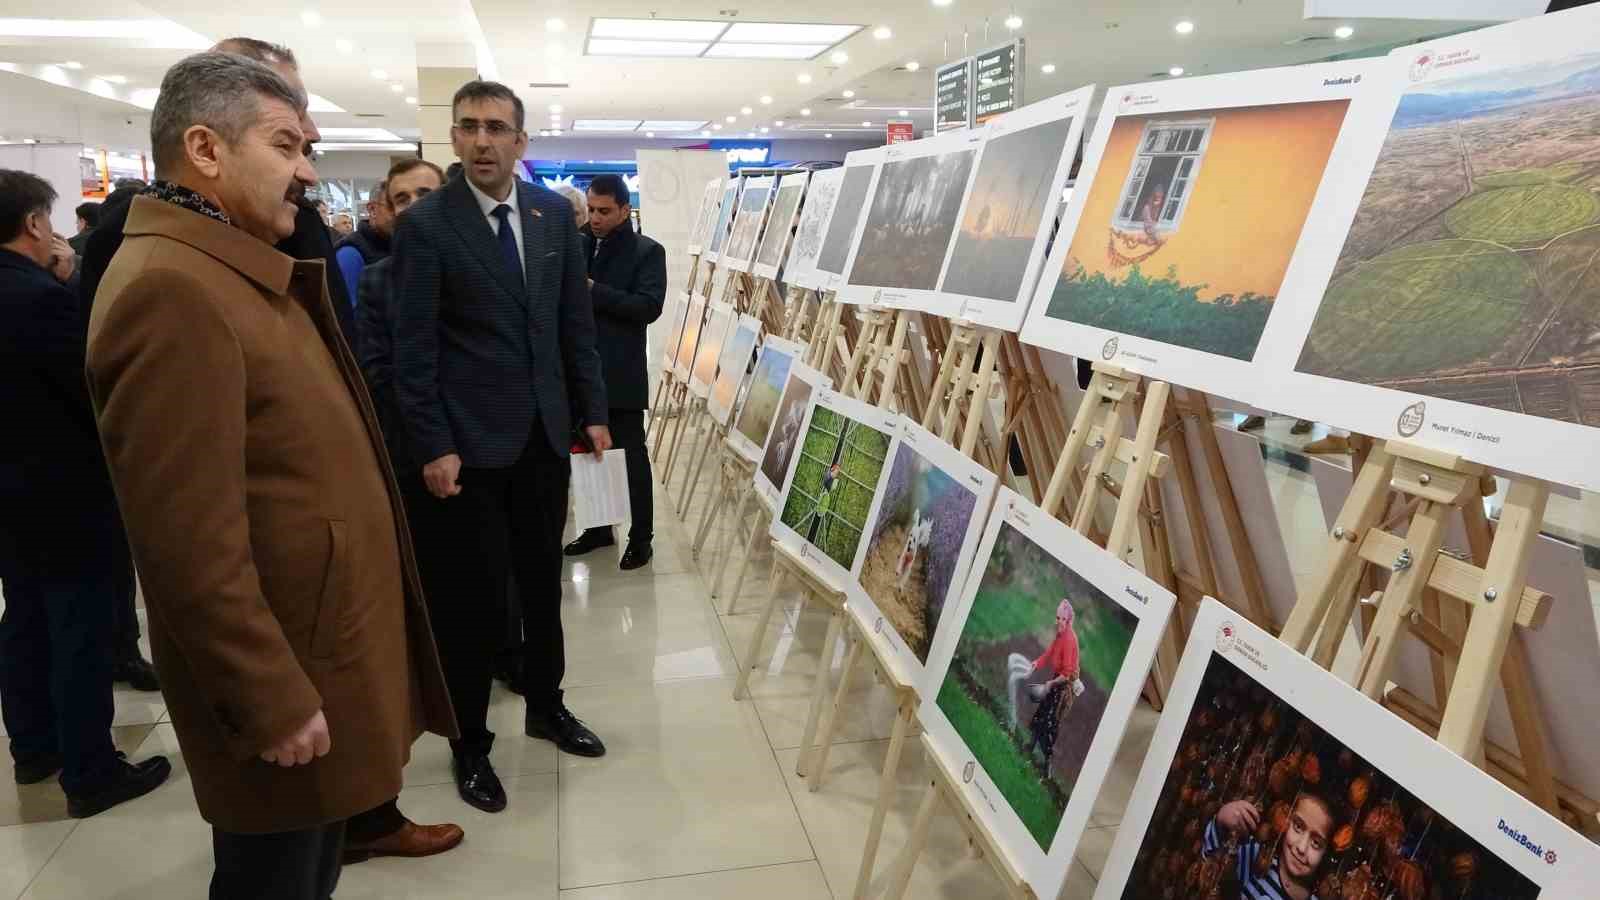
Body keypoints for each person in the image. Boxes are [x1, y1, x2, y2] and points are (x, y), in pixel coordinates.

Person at [86, 53, 459, 898]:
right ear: (206, 150)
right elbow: (185, 540)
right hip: (289, 675)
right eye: (287, 146)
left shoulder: (226, 266)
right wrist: (266, 696)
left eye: (309, 148)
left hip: (316, 651)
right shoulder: (173, 289)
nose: (306, 171)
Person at [392, 79, 612, 814]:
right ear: (453, 140)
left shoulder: (552, 216)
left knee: (541, 587)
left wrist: (593, 411)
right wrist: (433, 443)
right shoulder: (427, 225)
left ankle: (547, 707)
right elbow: (412, 349)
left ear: (521, 141)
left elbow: (571, 326)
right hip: (470, 447)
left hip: (545, 438)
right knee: (473, 603)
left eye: (497, 128)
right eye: (469, 128)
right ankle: (469, 742)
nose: (483, 140)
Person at [0, 169, 173, 818]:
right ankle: (92, 771)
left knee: (24, 618)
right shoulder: (40, 299)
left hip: (9, 494)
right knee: (80, 627)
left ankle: (35, 748)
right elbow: (91, 389)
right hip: (66, 493)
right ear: (35, 224)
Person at [78, 38, 357, 346]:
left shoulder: (291, 220)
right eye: (283, 143)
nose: (312, 130)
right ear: (206, 150)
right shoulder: (162, 284)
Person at [562, 173, 666, 569]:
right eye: (591, 210)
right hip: (578, 369)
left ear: (625, 209)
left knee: (632, 458)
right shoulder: (578, 244)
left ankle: (642, 537)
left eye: (604, 211)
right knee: (589, 454)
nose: (596, 218)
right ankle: (599, 527)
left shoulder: (647, 252)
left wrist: (592, 290)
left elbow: (647, 307)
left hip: (620, 371)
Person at [1206, 791, 1334, 900]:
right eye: (1298, 827)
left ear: (1326, 852)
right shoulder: (1256, 856)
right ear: (1286, 820)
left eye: (1316, 843)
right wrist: (1221, 820)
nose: (1301, 848)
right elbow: (1211, 855)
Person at [1027, 599, 1085, 771]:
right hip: (1056, 679)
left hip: (1063, 686)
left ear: (1069, 620)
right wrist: (1036, 663)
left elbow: (1067, 673)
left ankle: (1047, 766)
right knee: (1041, 713)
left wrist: (1051, 683)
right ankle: (1029, 747)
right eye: (1057, 617)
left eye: (1062, 619)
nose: (1058, 621)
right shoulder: (1060, 634)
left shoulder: (1069, 639)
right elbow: (1050, 652)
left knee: (1051, 723)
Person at [335, 178, 391, 312]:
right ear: (372, 209)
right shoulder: (350, 254)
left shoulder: (399, 244)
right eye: (392, 205)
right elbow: (350, 317)